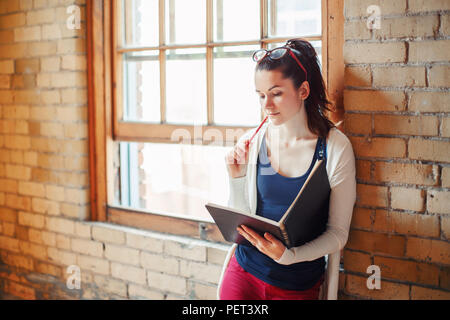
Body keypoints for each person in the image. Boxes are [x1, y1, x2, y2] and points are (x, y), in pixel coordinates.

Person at [217, 39, 357, 300]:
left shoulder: (335, 148)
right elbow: (240, 228)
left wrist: (290, 257)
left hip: (296, 284)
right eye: (260, 96)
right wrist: (236, 179)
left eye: (276, 93)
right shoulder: (253, 141)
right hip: (244, 272)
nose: (266, 106)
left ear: (303, 90)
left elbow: (338, 234)